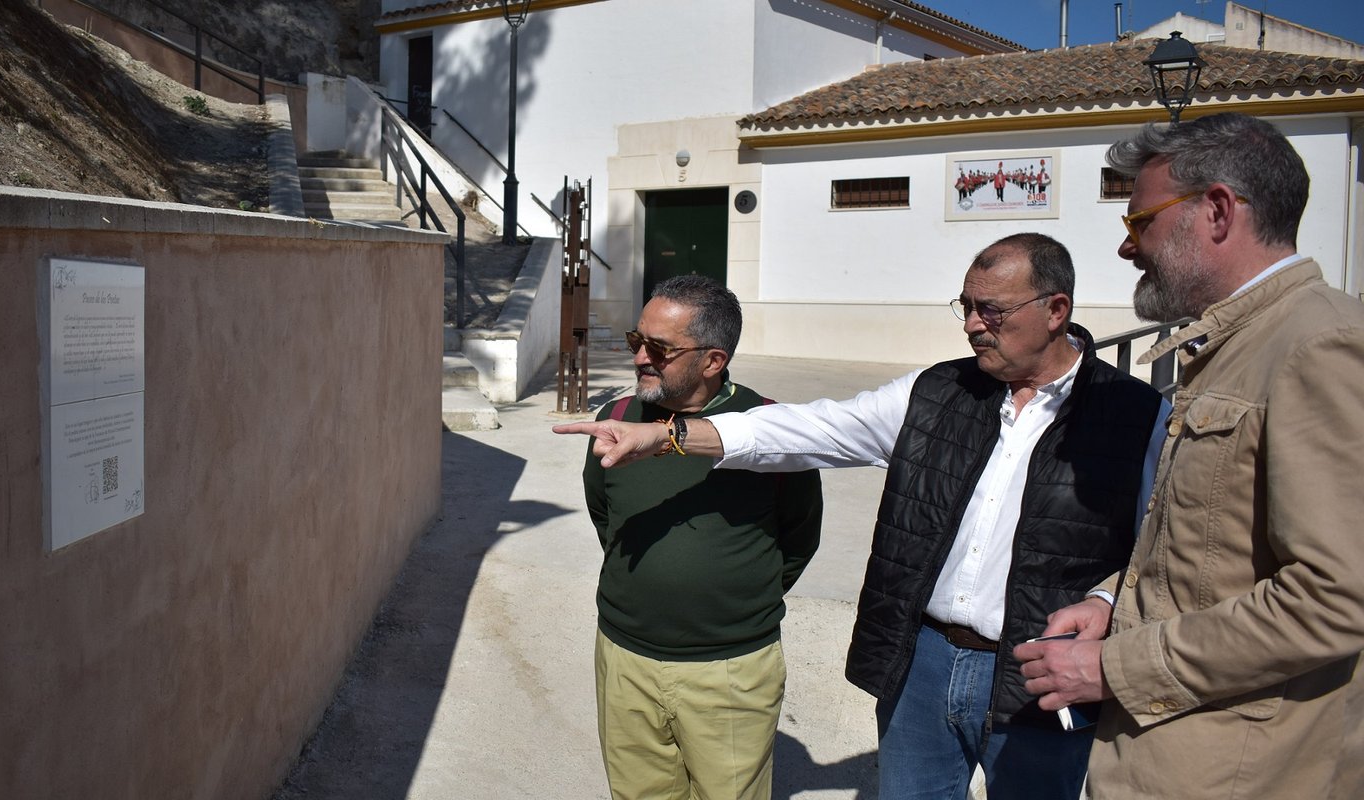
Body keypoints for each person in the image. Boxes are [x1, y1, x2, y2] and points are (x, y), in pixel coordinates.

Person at [557, 234, 1168, 800]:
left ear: (1056, 309)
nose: (975, 326)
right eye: (966, 307)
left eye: (994, 311)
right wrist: (668, 436)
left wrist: (1109, 598)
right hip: (922, 662)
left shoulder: (1137, 416)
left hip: (1041, 672)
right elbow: (811, 427)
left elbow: (1164, 547)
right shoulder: (934, 392)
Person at [1015, 112, 1364, 798]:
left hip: (1234, 771)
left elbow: (1336, 597)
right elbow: (1216, 543)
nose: (1127, 247)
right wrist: (1115, 597)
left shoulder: (1316, 346)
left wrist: (1118, 668)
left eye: (1140, 222)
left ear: (1218, 211)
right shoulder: (1242, 343)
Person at [576, 274, 823, 800]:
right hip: (624, 659)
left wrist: (728, 604)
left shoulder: (772, 431)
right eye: (635, 341)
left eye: (659, 349)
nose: (640, 357)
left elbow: (799, 536)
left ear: (713, 361)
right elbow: (606, 516)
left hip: (730, 671)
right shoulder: (616, 419)